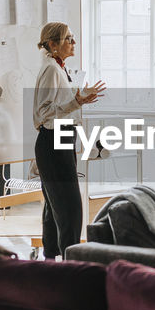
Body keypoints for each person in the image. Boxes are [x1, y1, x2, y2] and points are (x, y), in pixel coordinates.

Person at [32, 22, 105, 258]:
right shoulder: (52, 69)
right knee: (70, 207)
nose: (73, 43)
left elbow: (58, 105)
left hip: (62, 135)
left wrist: (79, 97)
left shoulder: (59, 67)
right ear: (53, 44)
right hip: (53, 138)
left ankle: (51, 258)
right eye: (68, 39)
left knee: (56, 206)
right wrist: (77, 102)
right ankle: (72, 259)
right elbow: (43, 113)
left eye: (73, 38)